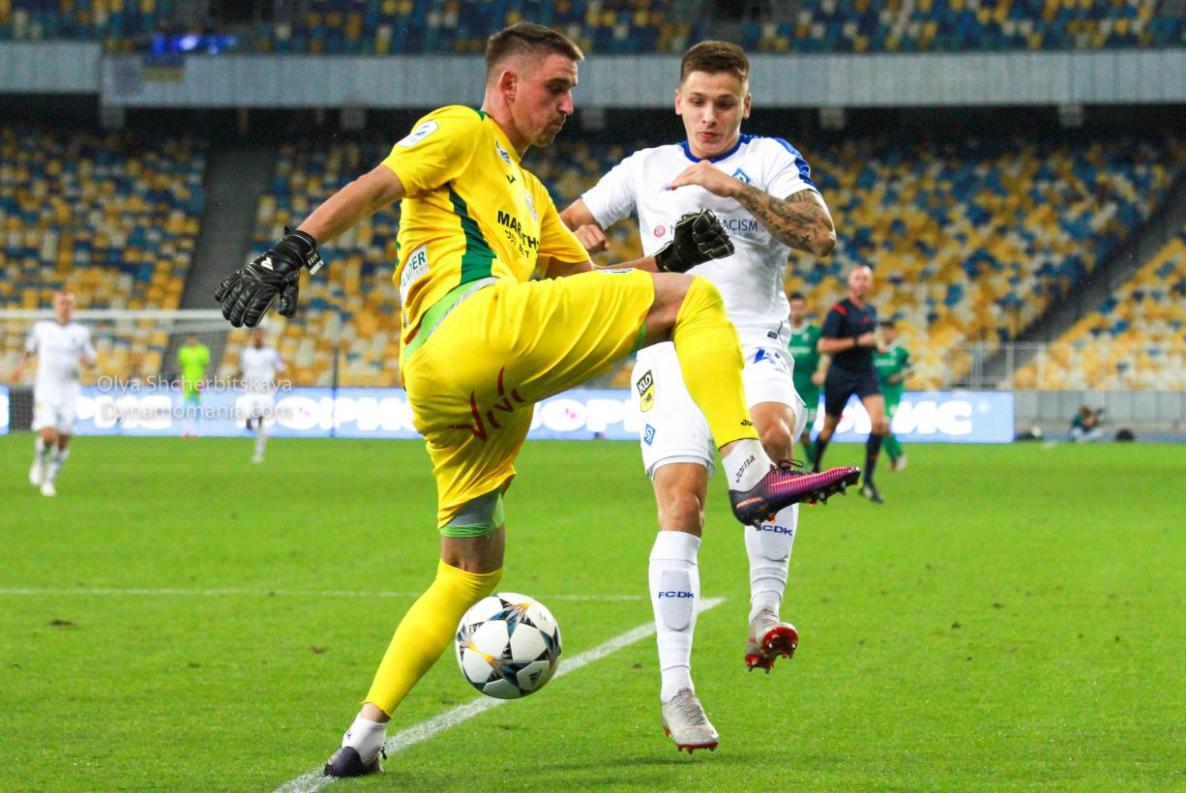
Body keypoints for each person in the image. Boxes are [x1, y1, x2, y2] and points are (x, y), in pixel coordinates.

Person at [215, 23, 858, 778]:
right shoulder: (462, 130)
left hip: (460, 394)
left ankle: (363, 733)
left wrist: (668, 256)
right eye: (556, 89)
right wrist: (291, 250)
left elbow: (588, 286)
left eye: (570, 92)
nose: (567, 106)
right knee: (694, 300)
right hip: (469, 326)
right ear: (508, 84)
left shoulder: (533, 197)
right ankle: (749, 472)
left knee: (469, 569)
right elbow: (380, 183)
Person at [559, 41, 846, 752]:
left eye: (725, 103)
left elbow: (820, 237)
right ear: (678, 101)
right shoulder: (644, 168)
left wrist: (733, 189)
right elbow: (559, 233)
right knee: (682, 502)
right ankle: (677, 690)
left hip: (753, 341)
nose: (710, 115)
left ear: (746, 104)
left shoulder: (770, 158)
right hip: (668, 345)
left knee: (773, 439)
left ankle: (764, 612)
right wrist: (579, 233)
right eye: (698, 101)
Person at [811, 265, 888, 503]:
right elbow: (823, 346)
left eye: (866, 279)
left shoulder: (871, 310)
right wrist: (857, 341)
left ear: (871, 284)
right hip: (841, 374)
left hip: (866, 373)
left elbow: (871, 338)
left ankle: (868, 482)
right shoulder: (839, 311)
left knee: (880, 423)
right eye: (858, 278)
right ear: (850, 283)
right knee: (829, 427)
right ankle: (814, 472)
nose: (862, 282)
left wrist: (877, 345)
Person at [11, 291, 97, 497]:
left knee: (64, 439)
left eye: (68, 304)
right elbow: (29, 350)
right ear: (55, 306)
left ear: (73, 308)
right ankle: (40, 459)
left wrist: (88, 363)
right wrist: (19, 369)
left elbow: (92, 360)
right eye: (61, 303)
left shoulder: (81, 332)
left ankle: (50, 480)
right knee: (49, 435)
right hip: (46, 390)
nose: (64, 307)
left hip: (70, 392)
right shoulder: (42, 329)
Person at [787, 291, 828, 463]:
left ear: (806, 309)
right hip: (788, 389)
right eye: (793, 308)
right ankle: (790, 469)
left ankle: (814, 464)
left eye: (800, 308)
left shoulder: (815, 332)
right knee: (787, 432)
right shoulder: (783, 332)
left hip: (810, 390)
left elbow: (827, 353)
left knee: (804, 432)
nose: (796, 312)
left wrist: (822, 371)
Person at [238, 327, 284, 463]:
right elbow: (242, 370)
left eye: (260, 335)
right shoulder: (246, 352)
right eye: (255, 335)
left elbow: (280, 368)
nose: (258, 338)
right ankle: (252, 425)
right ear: (252, 337)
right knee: (248, 419)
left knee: (260, 420)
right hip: (249, 391)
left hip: (265, 392)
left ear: (263, 336)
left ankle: (259, 452)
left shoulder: (271, 352)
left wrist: (278, 380)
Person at [873, 320, 911, 471]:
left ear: (894, 333)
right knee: (879, 425)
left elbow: (911, 370)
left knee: (885, 422)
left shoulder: (901, 352)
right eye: (884, 331)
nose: (887, 334)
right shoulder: (875, 351)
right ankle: (894, 457)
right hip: (876, 393)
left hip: (893, 393)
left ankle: (898, 455)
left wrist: (899, 376)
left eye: (889, 331)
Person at [176, 332, 209, 438]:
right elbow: (180, 366)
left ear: (196, 338)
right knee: (186, 406)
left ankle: (196, 430)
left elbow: (205, 366)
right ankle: (186, 430)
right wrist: (180, 379)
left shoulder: (203, 350)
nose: (191, 340)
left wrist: (204, 379)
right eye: (189, 338)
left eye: (193, 338)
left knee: (197, 406)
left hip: (198, 382)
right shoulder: (183, 351)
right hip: (187, 382)